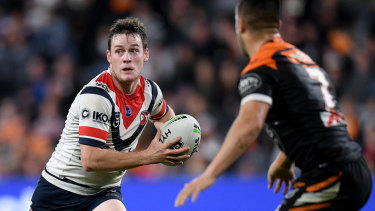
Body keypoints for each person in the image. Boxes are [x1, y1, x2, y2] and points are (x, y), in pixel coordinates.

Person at [175, 0, 373, 210]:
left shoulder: (261, 67)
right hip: (354, 169)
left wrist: (210, 174)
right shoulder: (302, 60)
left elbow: (250, 124)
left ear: (240, 25)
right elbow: (312, 118)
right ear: (277, 25)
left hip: (330, 174)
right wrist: (284, 161)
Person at [30, 17, 190, 211]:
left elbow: (166, 119)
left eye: (134, 50)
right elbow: (91, 160)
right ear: (109, 56)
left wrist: (181, 140)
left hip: (104, 191)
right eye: (119, 51)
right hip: (60, 190)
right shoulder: (97, 95)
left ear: (146, 54)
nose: (127, 58)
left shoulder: (150, 92)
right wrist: (150, 155)